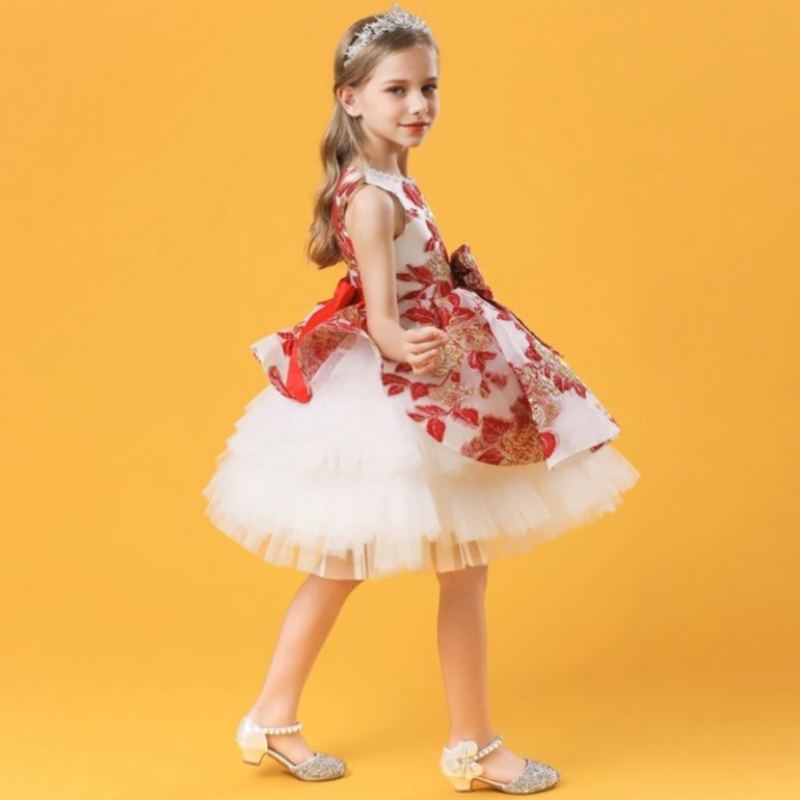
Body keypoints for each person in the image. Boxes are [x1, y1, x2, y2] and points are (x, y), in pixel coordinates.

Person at [202, 3, 641, 793]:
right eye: (397, 90)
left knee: (409, 566)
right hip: (399, 400)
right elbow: (380, 317)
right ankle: (463, 745)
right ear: (351, 99)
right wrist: (403, 341)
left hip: (429, 387)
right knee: (378, 562)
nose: (418, 105)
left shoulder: (391, 179)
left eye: (428, 88)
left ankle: (286, 717)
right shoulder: (371, 196)